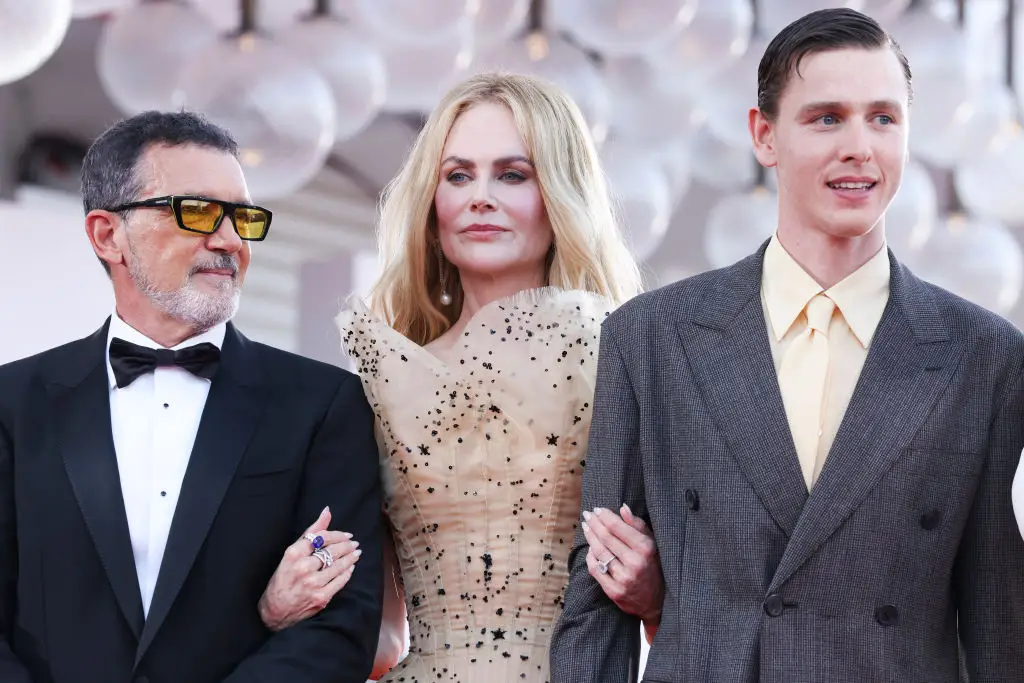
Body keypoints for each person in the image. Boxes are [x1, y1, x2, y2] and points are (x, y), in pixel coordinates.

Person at [551, 8, 1024, 682]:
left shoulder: (988, 356)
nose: (859, 145)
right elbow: (595, 604)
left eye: (883, 118)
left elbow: (1000, 625)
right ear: (764, 135)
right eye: (827, 117)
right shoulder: (651, 337)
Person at [257, 71, 666, 682]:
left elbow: (714, 605)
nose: (480, 196)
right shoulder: (382, 379)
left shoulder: (625, 353)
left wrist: (654, 596)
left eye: (511, 174)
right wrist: (279, 607)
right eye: (458, 175)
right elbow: (382, 638)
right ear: (432, 204)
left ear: (559, 191)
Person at [0, 111, 384, 683]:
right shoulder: (12, 403)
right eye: (198, 211)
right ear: (109, 235)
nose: (229, 240)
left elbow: (341, 628)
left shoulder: (325, 405)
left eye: (243, 217)